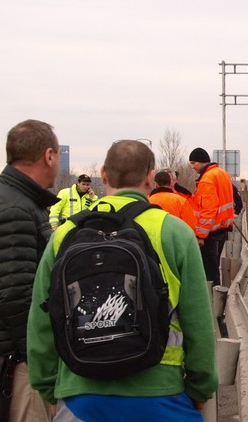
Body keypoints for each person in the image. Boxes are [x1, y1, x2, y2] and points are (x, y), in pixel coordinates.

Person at [27, 140, 218, 419]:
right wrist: (201, 388)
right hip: (160, 392)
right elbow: (198, 321)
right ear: (150, 177)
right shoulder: (174, 232)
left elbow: (41, 321)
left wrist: (49, 387)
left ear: (103, 175)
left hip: (80, 394)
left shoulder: (64, 234)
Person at [0, 119, 60, 422]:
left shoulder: (10, 198)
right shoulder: (14, 209)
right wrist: (40, 360)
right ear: (48, 156)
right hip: (14, 366)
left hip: (3, 357)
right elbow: (16, 295)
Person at [188, 147, 236, 286]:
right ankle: (218, 297)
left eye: (193, 163)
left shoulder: (207, 179)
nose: (192, 167)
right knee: (214, 267)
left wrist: (201, 235)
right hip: (223, 227)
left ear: (202, 161)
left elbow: (208, 210)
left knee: (209, 270)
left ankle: (214, 301)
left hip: (211, 231)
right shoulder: (222, 174)